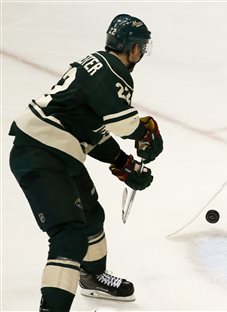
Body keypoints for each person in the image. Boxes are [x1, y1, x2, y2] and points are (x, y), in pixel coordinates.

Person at [8, 14, 163, 311]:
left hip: (56, 149)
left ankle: (92, 277)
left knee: (91, 216)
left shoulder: (97, 64)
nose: (141, 54)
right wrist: (145, 133)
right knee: (69, 235)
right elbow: (122, 125)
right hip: (42, 153)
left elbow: (91, 129)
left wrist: (124, 163)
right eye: (141, 47)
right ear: (132, 48)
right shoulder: (115, 72)